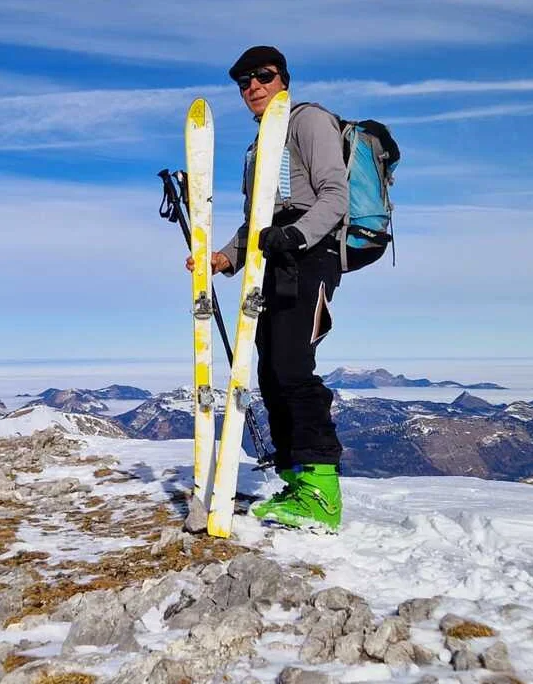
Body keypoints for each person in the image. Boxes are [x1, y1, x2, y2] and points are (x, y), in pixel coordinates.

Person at [185, 45, 346, 531]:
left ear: (283, 80)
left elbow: (335, 196)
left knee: (293, 367)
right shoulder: (260, 145)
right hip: (272, 262)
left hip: (310, 258)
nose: (253, 87)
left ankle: (323, 492)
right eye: (244, 82)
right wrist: (222, 259)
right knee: (272, 372)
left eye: (264, 76)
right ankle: (297, 481)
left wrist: (295, 236)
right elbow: (257, 221)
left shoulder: (309, 121)